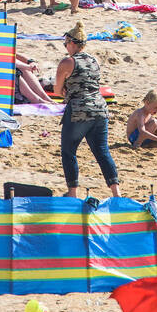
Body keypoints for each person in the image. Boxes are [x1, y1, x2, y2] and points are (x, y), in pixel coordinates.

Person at [53, 21, 121, 198]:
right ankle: (116, 192)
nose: (65, 47)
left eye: (66, 43)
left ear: (72, 43)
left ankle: (73, 192)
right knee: (102, 152)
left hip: (78, 111)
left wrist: (66, 90)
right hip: (100, 109)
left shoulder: (67, 62)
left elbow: (57, 91)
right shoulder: (93, 60)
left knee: (69, 151)